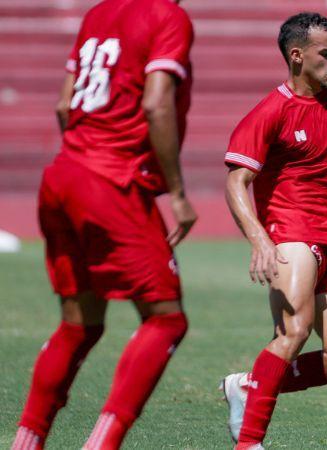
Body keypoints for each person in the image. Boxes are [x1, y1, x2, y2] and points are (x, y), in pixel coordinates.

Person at [12, 0, 196, 448]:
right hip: (111, 179)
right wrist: (176, 193)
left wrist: (83, 160)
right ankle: (102, 443)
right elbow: (156, 104)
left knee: (79, 324)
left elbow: (63, 104)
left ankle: (26, 440)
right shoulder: (167, 16)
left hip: (63, 174)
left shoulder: (97, 13)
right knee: (165, 320)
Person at [218, 12, 327, 449]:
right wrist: (260, 239)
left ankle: (248, 385)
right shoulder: (271, 111)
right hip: (292, 232)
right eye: (326, 53)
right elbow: (237, 181)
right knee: (292, 332)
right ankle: (249, 442)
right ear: (297, 56)